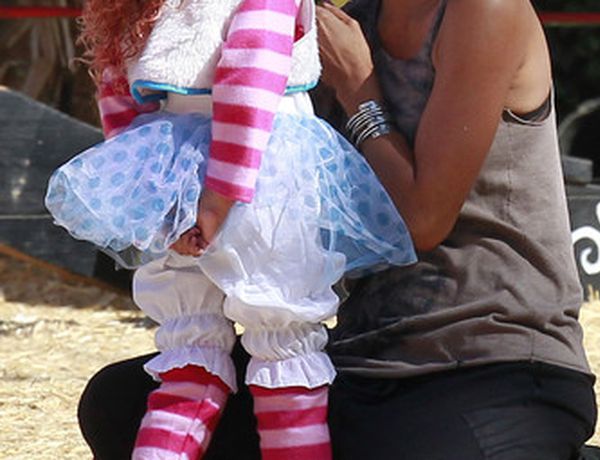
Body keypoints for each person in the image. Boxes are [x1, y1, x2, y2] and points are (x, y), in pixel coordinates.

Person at [76, 0, 598, 459]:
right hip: (360, 356)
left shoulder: (483, 10)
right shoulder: (341, 22)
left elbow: (423, 222)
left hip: (493, 357)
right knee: (117, 404)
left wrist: (358, 89)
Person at [45, 0, 415, 459]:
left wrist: (154, 204)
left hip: (172, 170)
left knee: (188, 359)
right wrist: (220, 195)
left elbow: (115, 86)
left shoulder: (139, 7)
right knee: (286, 355)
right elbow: (251, 68)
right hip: (263, 175)